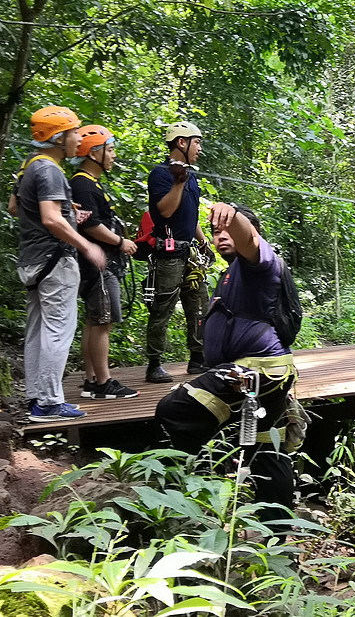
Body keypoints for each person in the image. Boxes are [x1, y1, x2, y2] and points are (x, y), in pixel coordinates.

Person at [156, 202, 297, 520]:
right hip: (261, 373)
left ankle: (198, 484)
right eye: (216, 231)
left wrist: (233, 217)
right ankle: (277, 536)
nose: (221, 235)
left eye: (227, 230)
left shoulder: (259, 264)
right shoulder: (230, 273)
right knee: (264, 447)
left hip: (256, 370)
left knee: (174, 409)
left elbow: (249, 239)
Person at [11, 107, 106, 422]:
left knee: (37, 330)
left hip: (32, 261)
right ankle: (50, 403)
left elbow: (16, 207)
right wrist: (86, 245)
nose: (78, 138)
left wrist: (68, 212)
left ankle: (36, 399)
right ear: (58, 136)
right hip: (55, 261)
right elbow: (50, 219)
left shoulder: (29, 166)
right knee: (57, 331)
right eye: (74, 132)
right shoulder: (50, 169)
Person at [70, 125, 139, 400]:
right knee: (103, 323)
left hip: (98, 264)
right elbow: (91, 225)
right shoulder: (82, 184)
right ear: (93, 153)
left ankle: (91, 379)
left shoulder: (88, 183)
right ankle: (103, 382)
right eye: (109, 150)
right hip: (98, 266)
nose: (113, 156)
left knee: (95, 322)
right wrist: (120, 243)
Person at [144, 121, 213, 383]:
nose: (200, 148)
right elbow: (166, 211)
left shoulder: (190, 176)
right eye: (196, 142)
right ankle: (154, 364)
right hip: (169, 253)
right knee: (163, 307)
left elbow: (190, 215)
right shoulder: (161, 174)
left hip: (190, 251)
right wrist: (178, 183)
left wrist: (204, 242)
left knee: (199, 305)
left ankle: (198, 358)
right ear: (181, 143)